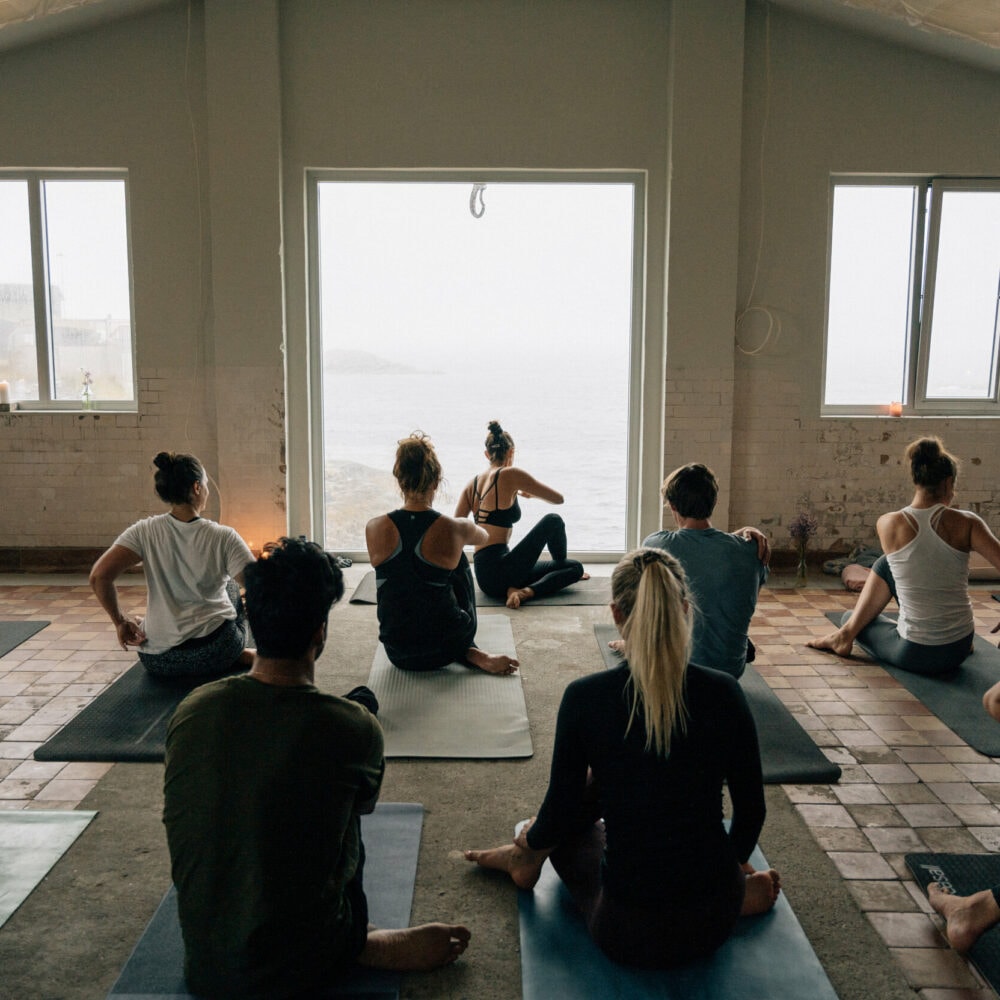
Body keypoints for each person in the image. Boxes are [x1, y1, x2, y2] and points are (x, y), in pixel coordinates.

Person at [163, 537, 471, 999]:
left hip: (206, 966)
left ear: (252, 623)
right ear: (320, 632)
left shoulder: (193, 708)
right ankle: (360, 944)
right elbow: (360, 809)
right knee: (345, 766)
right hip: (306, 968)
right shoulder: (354, 729)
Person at [464, 547, 779, 968]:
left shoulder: (585, 698)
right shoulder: (724, 693)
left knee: (575, 818)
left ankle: (521, 860)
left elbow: (560, 811)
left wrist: (532, 838)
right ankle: (741, 894)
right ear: (686, 610)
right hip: (715, 918)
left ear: (615, 614)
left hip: (628, 931)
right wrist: (728, 873)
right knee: (631, 774)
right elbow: (752, 812)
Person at [808, 437, 1000, 676]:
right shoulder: (968, 523)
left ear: (916, 480)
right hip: (959, 646)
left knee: (854, 609)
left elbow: (912, 571)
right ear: (948, 482)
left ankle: (844, 636)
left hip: (915, 654)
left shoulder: (888, 524)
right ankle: (849, 635)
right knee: (888, 564)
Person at [366, 432, 519, 675]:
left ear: (400, 481)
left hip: (398, 651)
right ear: (436, 481)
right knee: (457, 555)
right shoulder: (455, 528)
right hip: (448, 646)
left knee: (403, 575)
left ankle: (469, 652)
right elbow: (484, 537)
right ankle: (471, 650)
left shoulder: (374, 527)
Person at [89, 451, 254, 677]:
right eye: (206, 485)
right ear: (197, 487)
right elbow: (259, 586)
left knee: (222, 581)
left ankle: (156, 624)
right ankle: (242, 654)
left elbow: (98, 576)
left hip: (159, 660)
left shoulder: (144, 531)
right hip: (216, 652)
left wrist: (120, 622)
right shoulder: (223, 536)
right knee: (231, 585)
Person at [640, 463, 770, 678]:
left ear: (672, 506)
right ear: (715, 501)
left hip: (675, 670)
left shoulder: (656, 544)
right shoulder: (751, 551)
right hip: (729, 671)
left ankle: (631, 646)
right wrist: (742, 533)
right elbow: (716, 556)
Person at [455, 420, 587, 609]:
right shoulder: (511, 473)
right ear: (511, 452)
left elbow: (455, 529)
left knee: (574, 567)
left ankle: (523, 585)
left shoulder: (471, 484)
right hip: (504, 571)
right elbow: (558, 499)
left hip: (484, 577)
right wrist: (531, 495)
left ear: (487, 454)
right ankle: (536, 585)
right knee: (554, 522)